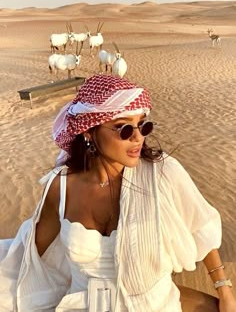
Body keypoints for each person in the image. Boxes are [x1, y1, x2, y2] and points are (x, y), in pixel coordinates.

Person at [0, 73, 235, 312]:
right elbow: (32, 254)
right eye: (123, 129)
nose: (138, 137)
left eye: (143, 125)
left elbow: (202, 228)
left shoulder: (163, 174)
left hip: (154, 305)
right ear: (88, 132)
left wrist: (224, 290)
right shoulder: (61, 186)